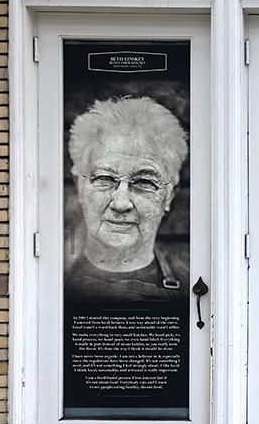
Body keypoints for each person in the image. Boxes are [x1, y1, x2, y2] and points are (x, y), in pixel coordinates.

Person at [65, 97, 190, 301]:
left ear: (169, 196)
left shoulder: (190, 280)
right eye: (104, 178)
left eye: (145, 182)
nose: (121, 204)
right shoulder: (51, 276)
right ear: (79, 185)